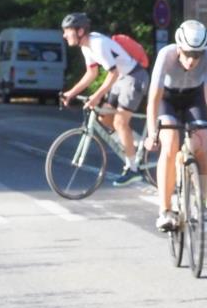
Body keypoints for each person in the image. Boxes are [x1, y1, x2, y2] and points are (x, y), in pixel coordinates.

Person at [143, 19, 207, 232]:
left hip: (194, 98)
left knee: (200, 148)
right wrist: (151, 133)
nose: (192, 60)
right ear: (179, 47)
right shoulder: (166, 54)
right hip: (167, 99)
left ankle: (201, 207)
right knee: (169, 145)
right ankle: (165, 211)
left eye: (197, 55)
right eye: (187, 54)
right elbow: (153, 99)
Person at [60, 12, 150, 186]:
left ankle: (132, 169)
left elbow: (113, 73)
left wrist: (96, 96)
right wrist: (70, 93)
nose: (64, 35)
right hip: (121, 78)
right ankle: (136, 144)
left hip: (134, 76)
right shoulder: (85, 46)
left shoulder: (98, 44)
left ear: (79, 31)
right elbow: (91, 73)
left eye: (67, 31)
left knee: (120, 122)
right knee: (104, 118)